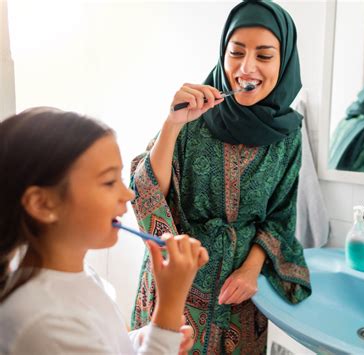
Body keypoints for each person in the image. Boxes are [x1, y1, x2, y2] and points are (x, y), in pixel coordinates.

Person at [130, 1, 311, 353]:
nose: (246, 68)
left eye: (264, 55)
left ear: (284, 59)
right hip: (177, 284)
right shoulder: (194, 110)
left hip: (238, 296)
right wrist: (172, 125)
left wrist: (251, 270)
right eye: (236, 52)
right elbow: (145, 194)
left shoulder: (288, 135)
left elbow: (280, 217)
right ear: (222, 53)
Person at [0, 107, 209, 355]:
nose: (128, 194)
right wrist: (170, 309)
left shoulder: (80, 275)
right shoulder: (43, 322)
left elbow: (105, 345)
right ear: (43, 204)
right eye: (109, 182)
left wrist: (145, 339)